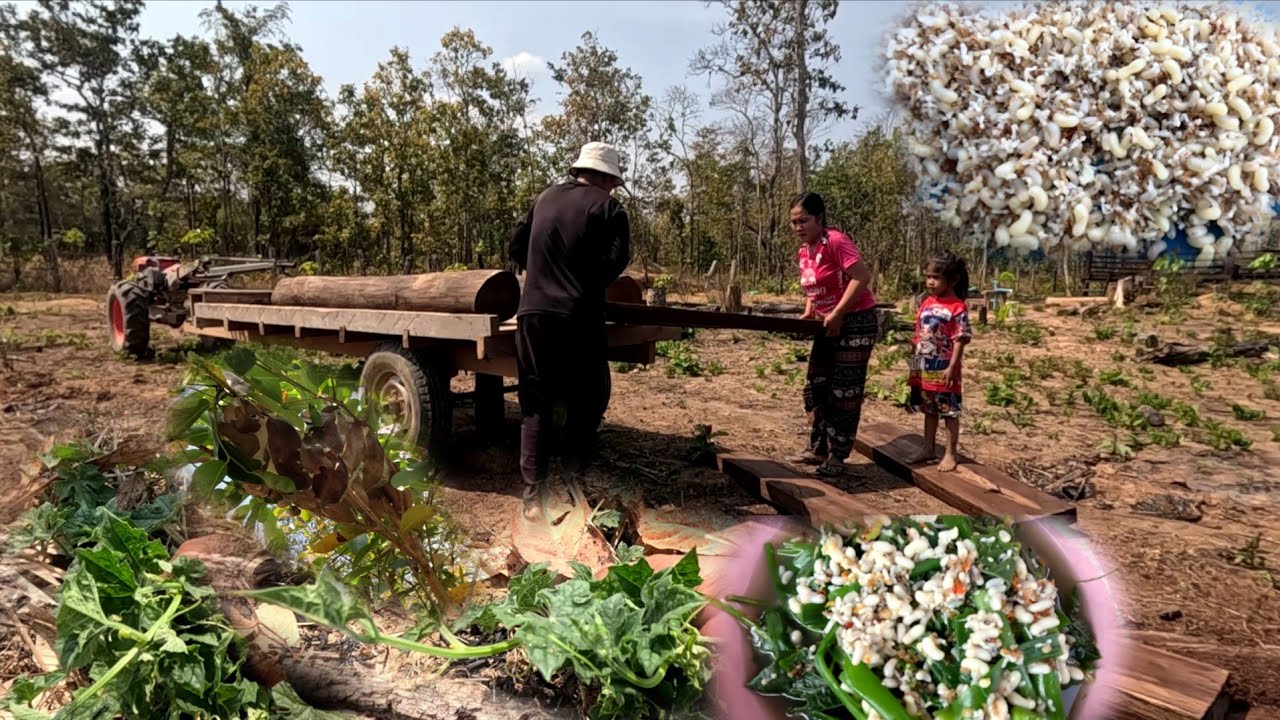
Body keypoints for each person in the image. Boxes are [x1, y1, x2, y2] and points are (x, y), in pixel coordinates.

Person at [508, 142, 630, 519]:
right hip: (577, 316)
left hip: (532, 314)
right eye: (612, 181)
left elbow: (516, 247)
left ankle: (533, 499)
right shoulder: (609, 208)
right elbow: (615, 263)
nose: (611, 188)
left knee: (535, 402)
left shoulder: (544, 197)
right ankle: (573, 483)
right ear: (607, 177)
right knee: (589, 397)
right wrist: (582, 281)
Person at [788, 192, 878, 477]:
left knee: (844, 390)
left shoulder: (836, 241)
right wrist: (809, 311)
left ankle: (838, 456)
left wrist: (838, 312)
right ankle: (819, 449)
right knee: (817, 385)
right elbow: (814, 285)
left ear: (820, 219)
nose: (798, 227)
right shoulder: (805, 251)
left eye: (804, 221)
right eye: (794, 223)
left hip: (855, 321)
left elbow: (861, 277)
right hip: (827, 324)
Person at [907, 251, 972, 472]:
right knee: (929, 409)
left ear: (952, 280)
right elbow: (920, 332)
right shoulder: (926, 302)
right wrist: (914, 359)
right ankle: (928, 448)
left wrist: (953, 366)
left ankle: (950, 453)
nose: (930, 282)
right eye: (928, 277)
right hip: (924, 366)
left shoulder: (957, 307)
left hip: (944, 368)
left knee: (948, 411)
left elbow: (960, 338)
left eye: (936, 277)